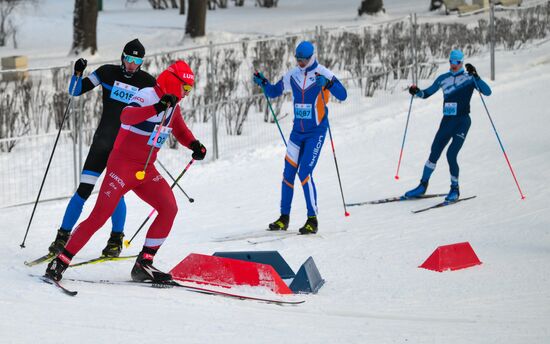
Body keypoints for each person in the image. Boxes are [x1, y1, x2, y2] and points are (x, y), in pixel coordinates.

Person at [44, 60, 207, 284]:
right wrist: (157, 107)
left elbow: (179, 128)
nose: (187, 93)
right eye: (185, 88)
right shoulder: (147, 95)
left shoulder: (174, 105)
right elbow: (126, 116)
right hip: (121, 168)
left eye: (189, 89)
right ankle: (60, 262)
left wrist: (194, 144)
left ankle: (144, 264)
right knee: (98, 217)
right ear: (173, 82)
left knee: (169, 208)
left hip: (146, 170)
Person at [47, 39, 157, 259]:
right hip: (102, 143)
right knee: (83, 190)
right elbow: (76, 91)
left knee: (115, 194)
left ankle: (115, 240)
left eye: (137, 61)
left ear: (142, 62)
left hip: (124, 151)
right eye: (129, 59)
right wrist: (77, 73)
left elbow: (159, 111)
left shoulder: (147, 82)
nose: (132, 65)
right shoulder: (107, 72)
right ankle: (62, 237)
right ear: (122, 57)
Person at [253, 41, 347, 235]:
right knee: (288, 173)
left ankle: (312, 219)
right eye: (298, 59)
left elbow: (343, 94)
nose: (301, 63)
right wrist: (264, 83)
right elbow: (274, 92)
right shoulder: (292, 75)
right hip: (297, 133)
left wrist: (328, 84)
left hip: (316, 132)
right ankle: (283, 218)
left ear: (312, 57)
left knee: (304, 172)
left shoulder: (323, 73)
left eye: (304, 60)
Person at [404, 49, 492, 201]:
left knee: (451, 154)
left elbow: (487, 92)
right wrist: (416, 91)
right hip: (447, 121)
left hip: (462, 121)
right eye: (451, 61)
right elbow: (426, 94)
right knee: (434, 152)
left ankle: (455, 189)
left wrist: (476, 76)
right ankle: (422, 186)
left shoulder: (469, 78)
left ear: (461, 62)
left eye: (457, 62)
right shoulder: (442, 78)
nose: (453, 65)